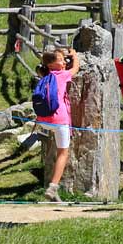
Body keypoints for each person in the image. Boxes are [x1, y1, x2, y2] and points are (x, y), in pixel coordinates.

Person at [36, 48, 80, 203]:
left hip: (43, 120)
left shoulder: (45, 76)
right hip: (60, 120)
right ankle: (53, 187)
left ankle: (53, 188)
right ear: (51, 64)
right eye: (60, 60)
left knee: (54, 148)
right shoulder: (62, 75)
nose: (64, 62)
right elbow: (75, 68)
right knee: (63, 153)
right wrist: (74, 55)